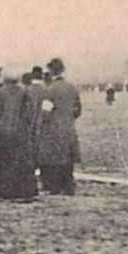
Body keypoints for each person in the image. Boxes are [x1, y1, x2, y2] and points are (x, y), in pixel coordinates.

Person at [0, 73, 39, 202]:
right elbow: (30, 113)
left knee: (1, 162)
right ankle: (21, 191)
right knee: (20, 162)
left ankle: (0, 191)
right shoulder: (25, 93)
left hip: (1, 133)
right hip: (20, 133)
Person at [36, 57, 82, 195]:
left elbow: (45, 112)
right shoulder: (72, 88)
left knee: (53, 157)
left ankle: (54, 186)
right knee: (68, 157)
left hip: (53, 128)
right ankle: (68, 185)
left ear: (50, 71)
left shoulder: (48, 90)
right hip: (68, 127)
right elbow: (78, 110)